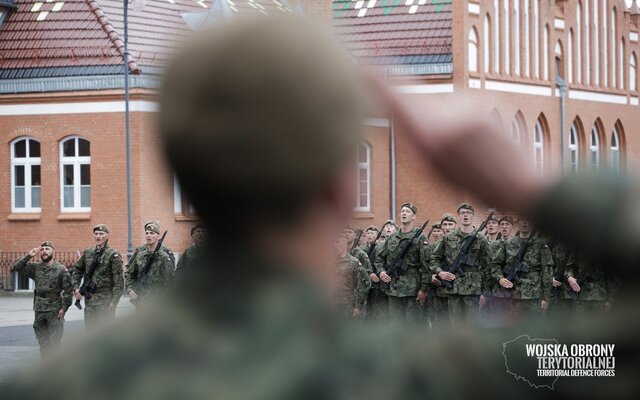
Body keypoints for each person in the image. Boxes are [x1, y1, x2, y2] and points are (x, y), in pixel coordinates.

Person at [4, 16, 640, 400]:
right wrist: (534, 187)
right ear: (341, 187)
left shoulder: (65, 386)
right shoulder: (424, 377)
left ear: (185, 178)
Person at [430, 203, 491, 325]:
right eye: (462, 213)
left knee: (472, 327)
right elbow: (434, 258)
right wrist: (440, 272)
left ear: (472, 216)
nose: (465, 215)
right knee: (455, 327)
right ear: (458, 217)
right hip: (453, 290)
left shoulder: (481, 238)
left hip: (473, 291)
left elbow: (488, 266)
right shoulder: (448, 237)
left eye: (468, 213)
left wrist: (485, 292)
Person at [12, 242, 72, 357]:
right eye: (42, 249)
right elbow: (17, 267)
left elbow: (68, 291)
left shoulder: (61, 269)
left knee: (54, 343)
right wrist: (30, 255)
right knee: (43, 343)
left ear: (53, 251)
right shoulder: (35, 267)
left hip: (55, 310)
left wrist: (64, 309)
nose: (44, 251)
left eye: (47, 249)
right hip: (39, 310)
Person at [373, 203, 429, 324]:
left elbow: (426, 264)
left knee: (412, 326)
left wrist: (423, 289)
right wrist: (381, 272)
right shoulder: (392, 237)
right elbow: (379, 258)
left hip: (413, 289)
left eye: (407, 211)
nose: (404, 213)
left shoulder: (420, 237)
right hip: (393, 288)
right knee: (396, 325)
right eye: (402, 211)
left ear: (414, 217)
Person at [490, 218, 553, 323]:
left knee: (534, 330)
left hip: (534, 296)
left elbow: (547, 272)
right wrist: (500, 279)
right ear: (518, 223)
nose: (525, 222)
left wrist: (546, 298)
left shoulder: (541, 245)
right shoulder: (508, 243)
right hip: (512, 295)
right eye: (522, 220)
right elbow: (495, 265)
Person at [72, 224, 123, 329]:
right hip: (90, 300)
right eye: (96, 234)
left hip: (106, 300)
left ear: (107, 236)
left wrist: (114, 302)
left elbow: (118, 280)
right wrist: (76, 287)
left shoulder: (113, 254)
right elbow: (77, 269)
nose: (98, 236)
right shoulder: (88, 252)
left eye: (101, 234)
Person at [124, 222, 175, 307]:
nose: (148, 235)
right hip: (141, 299)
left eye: (152, 233)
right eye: (147, 233)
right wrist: (130, 289)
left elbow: (170, 280)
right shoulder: (140, 255)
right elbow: (129, 273)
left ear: (158, 236)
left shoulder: (164, 256)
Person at [334, 236, 369, 320]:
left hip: (347, 305)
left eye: (338, 244)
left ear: (345, 245)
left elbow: (363, 284)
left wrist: (358, 306)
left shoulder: (354, 262)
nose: (335, 246)